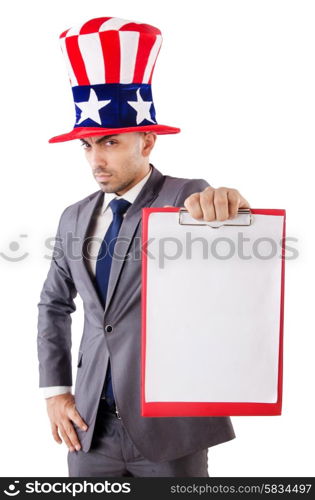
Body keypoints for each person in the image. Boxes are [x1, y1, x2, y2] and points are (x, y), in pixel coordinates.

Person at [37, 16, 250, 477]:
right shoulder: (74, 216)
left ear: (147, 140)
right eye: (88, 145)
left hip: (170, 426)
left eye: (110, 142)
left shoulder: (185, 197)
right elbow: (53, 304)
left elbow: (226, 261)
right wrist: (55, 391)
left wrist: (225, 208)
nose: (96, 159)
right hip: (89, 427)